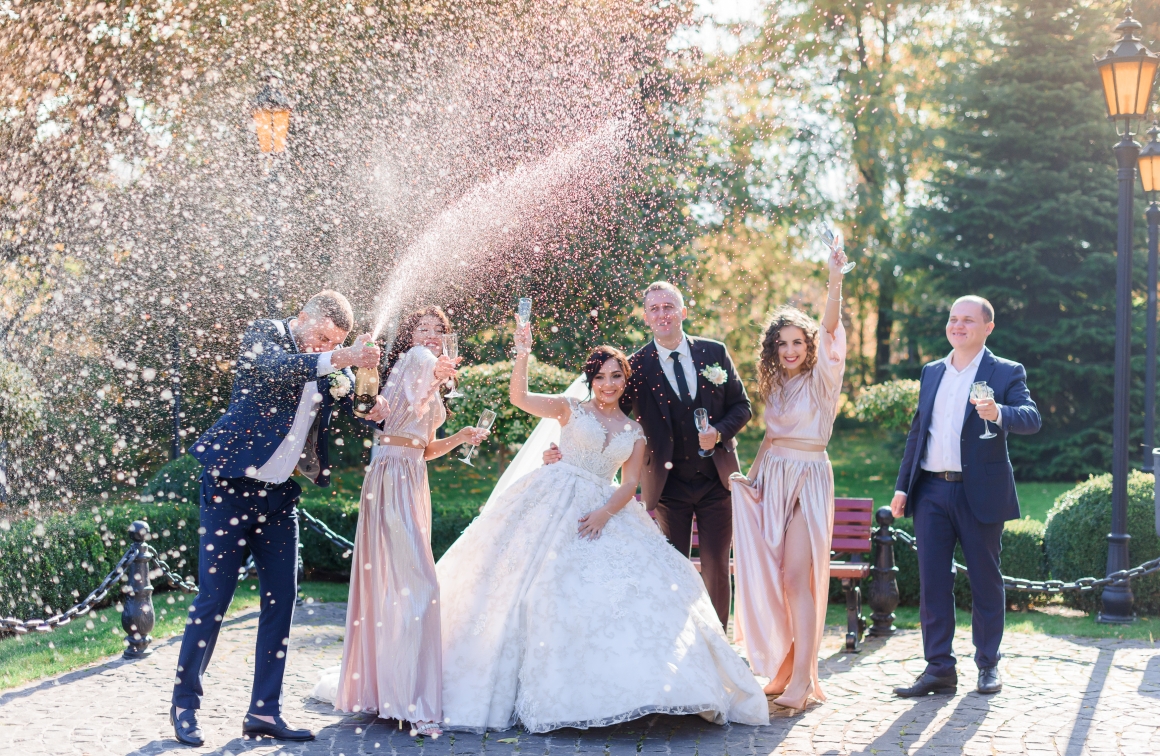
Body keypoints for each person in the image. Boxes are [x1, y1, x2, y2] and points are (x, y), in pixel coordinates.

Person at [435, 328, 769, 733]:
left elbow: (630, 484)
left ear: (626, 382)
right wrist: (523, 351)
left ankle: (642, 688)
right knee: (537, 587)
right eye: (600, 377)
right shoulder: (568, 410)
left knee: (641, 589)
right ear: (590, 380)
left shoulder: (634, 432)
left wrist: (604, 514)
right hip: (553, 498)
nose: (608, 385)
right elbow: (519, 399)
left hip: (606, 508)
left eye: (616, 377)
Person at [171, 291, 383, 747]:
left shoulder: (330, 363)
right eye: (320, 336)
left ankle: (264, 712)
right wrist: (341, 354)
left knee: (282, 602)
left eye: (332, 340)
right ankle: (185, 705)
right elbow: (279, 369)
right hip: (228, 487)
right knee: (214, 601)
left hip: (279, 499)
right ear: (303, 316)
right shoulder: (265, 334)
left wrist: (373, 408)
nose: (320, 345)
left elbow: (354, 406)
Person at [310, 306, 489, 739]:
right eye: (423, 330)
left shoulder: (429, 372)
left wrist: (460, 437)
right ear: (411, 337)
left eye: (438, 331)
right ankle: (414, 701)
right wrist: (439, 370)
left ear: (447, 337)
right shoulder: (416, 360)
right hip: (392, 476)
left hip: (412, 475)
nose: (430, 336)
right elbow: (418, 383)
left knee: (398, 584)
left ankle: (389, 691)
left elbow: (424, 447)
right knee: (419, 585)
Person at [543, 281, 751, 628]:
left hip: (717, 478)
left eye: (668, 306)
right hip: (667, 484)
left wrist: (719, 432)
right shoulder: (635, 368)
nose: (662, 314)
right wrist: (566, 451)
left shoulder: (715, 353)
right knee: (671, 564)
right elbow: (604, 413)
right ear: (646, 317)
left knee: (717, 563)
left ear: (682, 312)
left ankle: (718, 646)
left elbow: (741, 406)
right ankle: (676, 638)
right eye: (654, 309)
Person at [890, 295, 1041, 698]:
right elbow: (917, 433)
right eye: (953, 319)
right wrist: (903, 487)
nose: (958, 326)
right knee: (933, 583)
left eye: (968, 320)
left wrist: (999, 414)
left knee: (985, 581)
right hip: (931, 491)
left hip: (981, 492)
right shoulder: (932, 371)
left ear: (988, 327)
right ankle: (938, 668)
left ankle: (988, 665)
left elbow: (1032, 418)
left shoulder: (1006, 371)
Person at [730, 240, 849, 711]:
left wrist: (834, 279)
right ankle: (787, 668)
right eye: (782, 344)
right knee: (779, 578)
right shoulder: (775, 384)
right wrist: (751, 478)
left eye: (798, 342)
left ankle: (804, 679)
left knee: (799, 578)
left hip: (808, 479)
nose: (790, 350)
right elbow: (770, 436)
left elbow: (832, 324)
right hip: (773, 478)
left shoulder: (824, 378)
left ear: (811, 346)